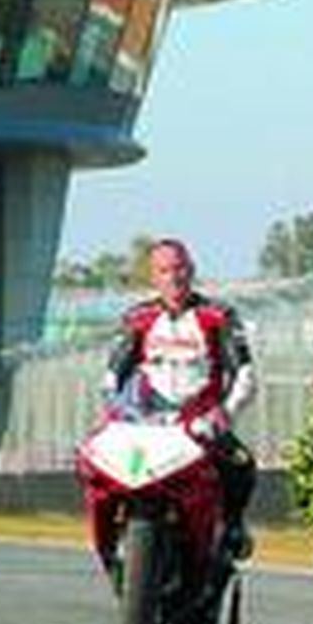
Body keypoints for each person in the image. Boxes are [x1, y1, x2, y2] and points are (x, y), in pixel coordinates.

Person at [104, 238, 257, 556]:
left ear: (191, 270)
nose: (173, 277)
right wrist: (113, 408)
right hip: (147, 423)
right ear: (153, 277)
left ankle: (232, 526)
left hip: (201, 423)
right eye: (164, 270)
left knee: (242, 465)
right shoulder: (137, 318)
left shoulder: (219, 315)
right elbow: (112, 375)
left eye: (179, 268)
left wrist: (224, 414)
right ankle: (115, 535)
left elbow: (245, 375)